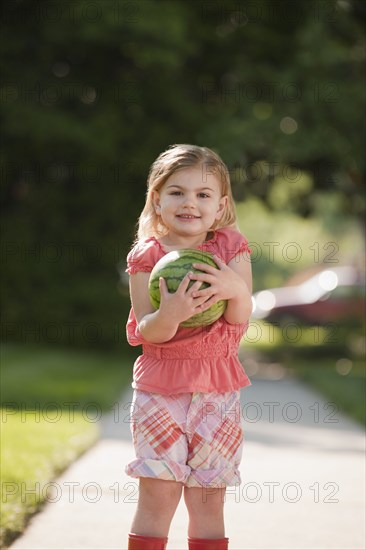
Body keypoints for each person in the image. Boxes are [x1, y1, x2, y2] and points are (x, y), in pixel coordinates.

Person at [125, 144, 253, 550]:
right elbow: (150, 330)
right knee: (158, 495)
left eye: (203, 194)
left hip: (217, 391)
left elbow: (239, 316)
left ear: (220, 205)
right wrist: (172, 313)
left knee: (208, 501)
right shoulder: (148, 256)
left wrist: (233, 287)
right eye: (177, 192)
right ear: (157, 201)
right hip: (160, 391)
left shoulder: (231, 249)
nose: (190, 203)